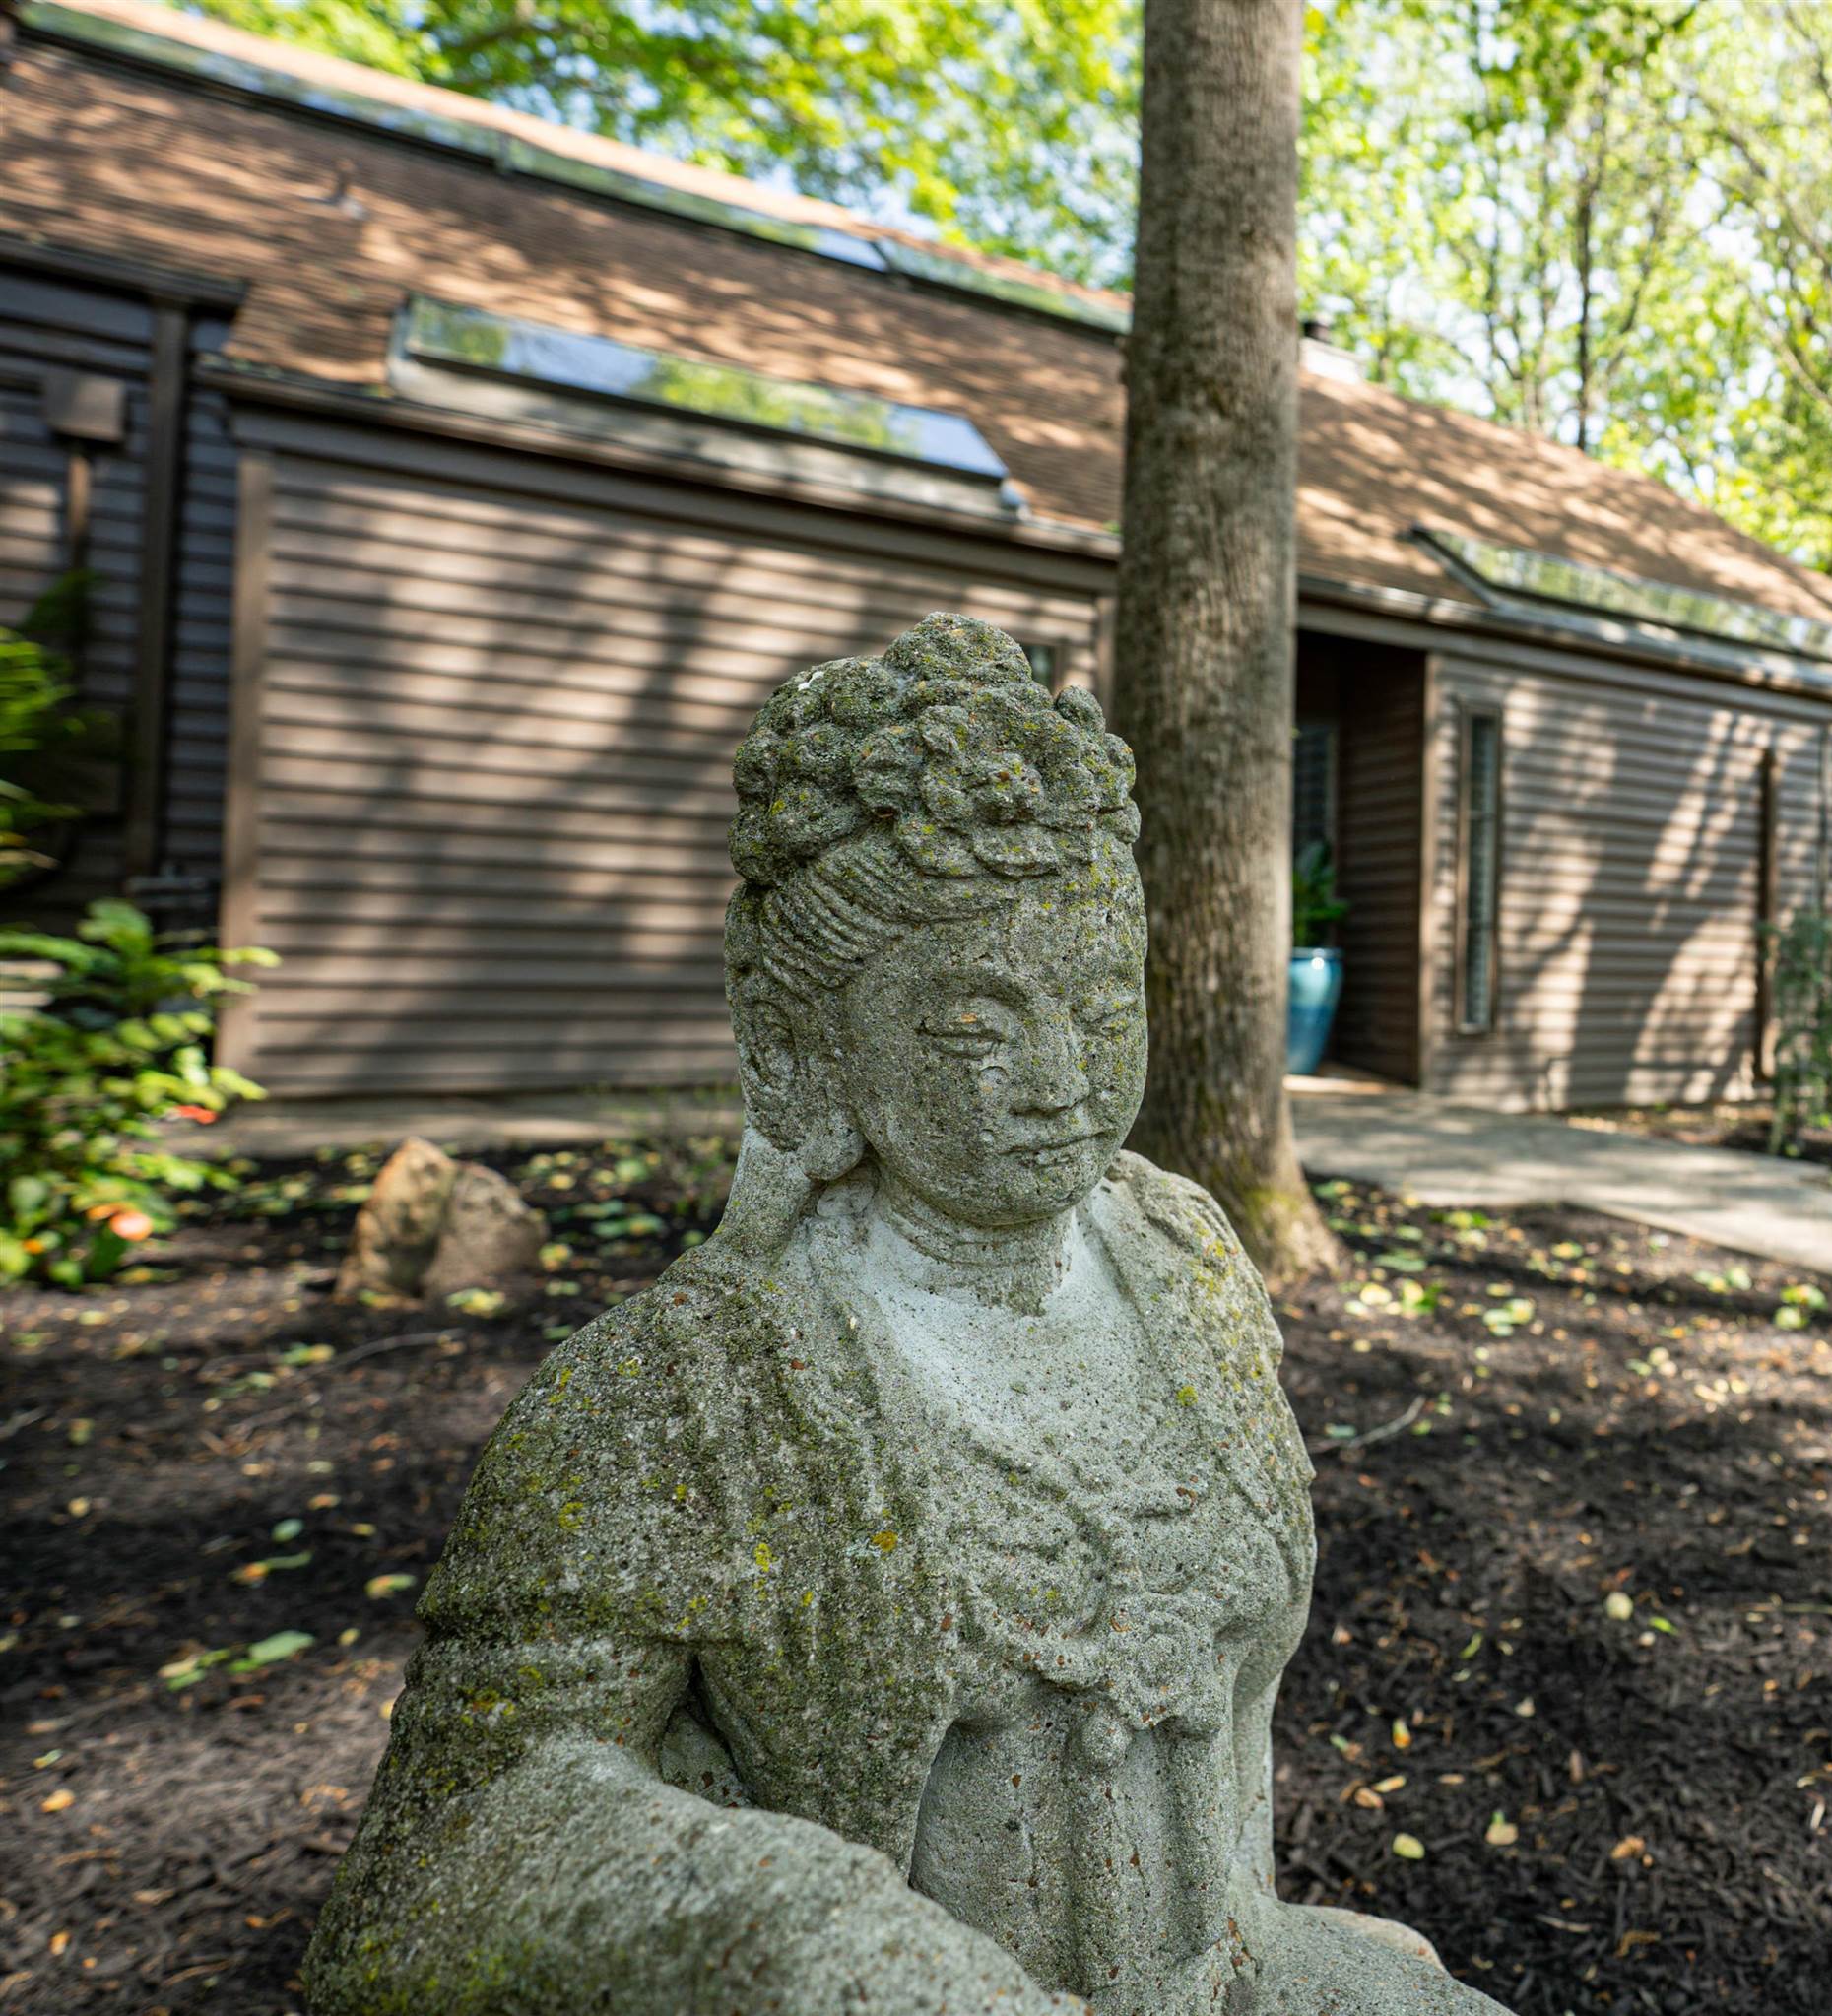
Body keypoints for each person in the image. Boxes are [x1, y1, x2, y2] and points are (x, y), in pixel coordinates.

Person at [306, 615, 1501, 2016]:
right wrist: (807, 1939)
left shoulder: (1186, 1260)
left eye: (1101, 999)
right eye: (975, 1026)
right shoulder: (681, 1396)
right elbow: (436, 1860)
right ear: (813, 1042)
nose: (1060, 1074)